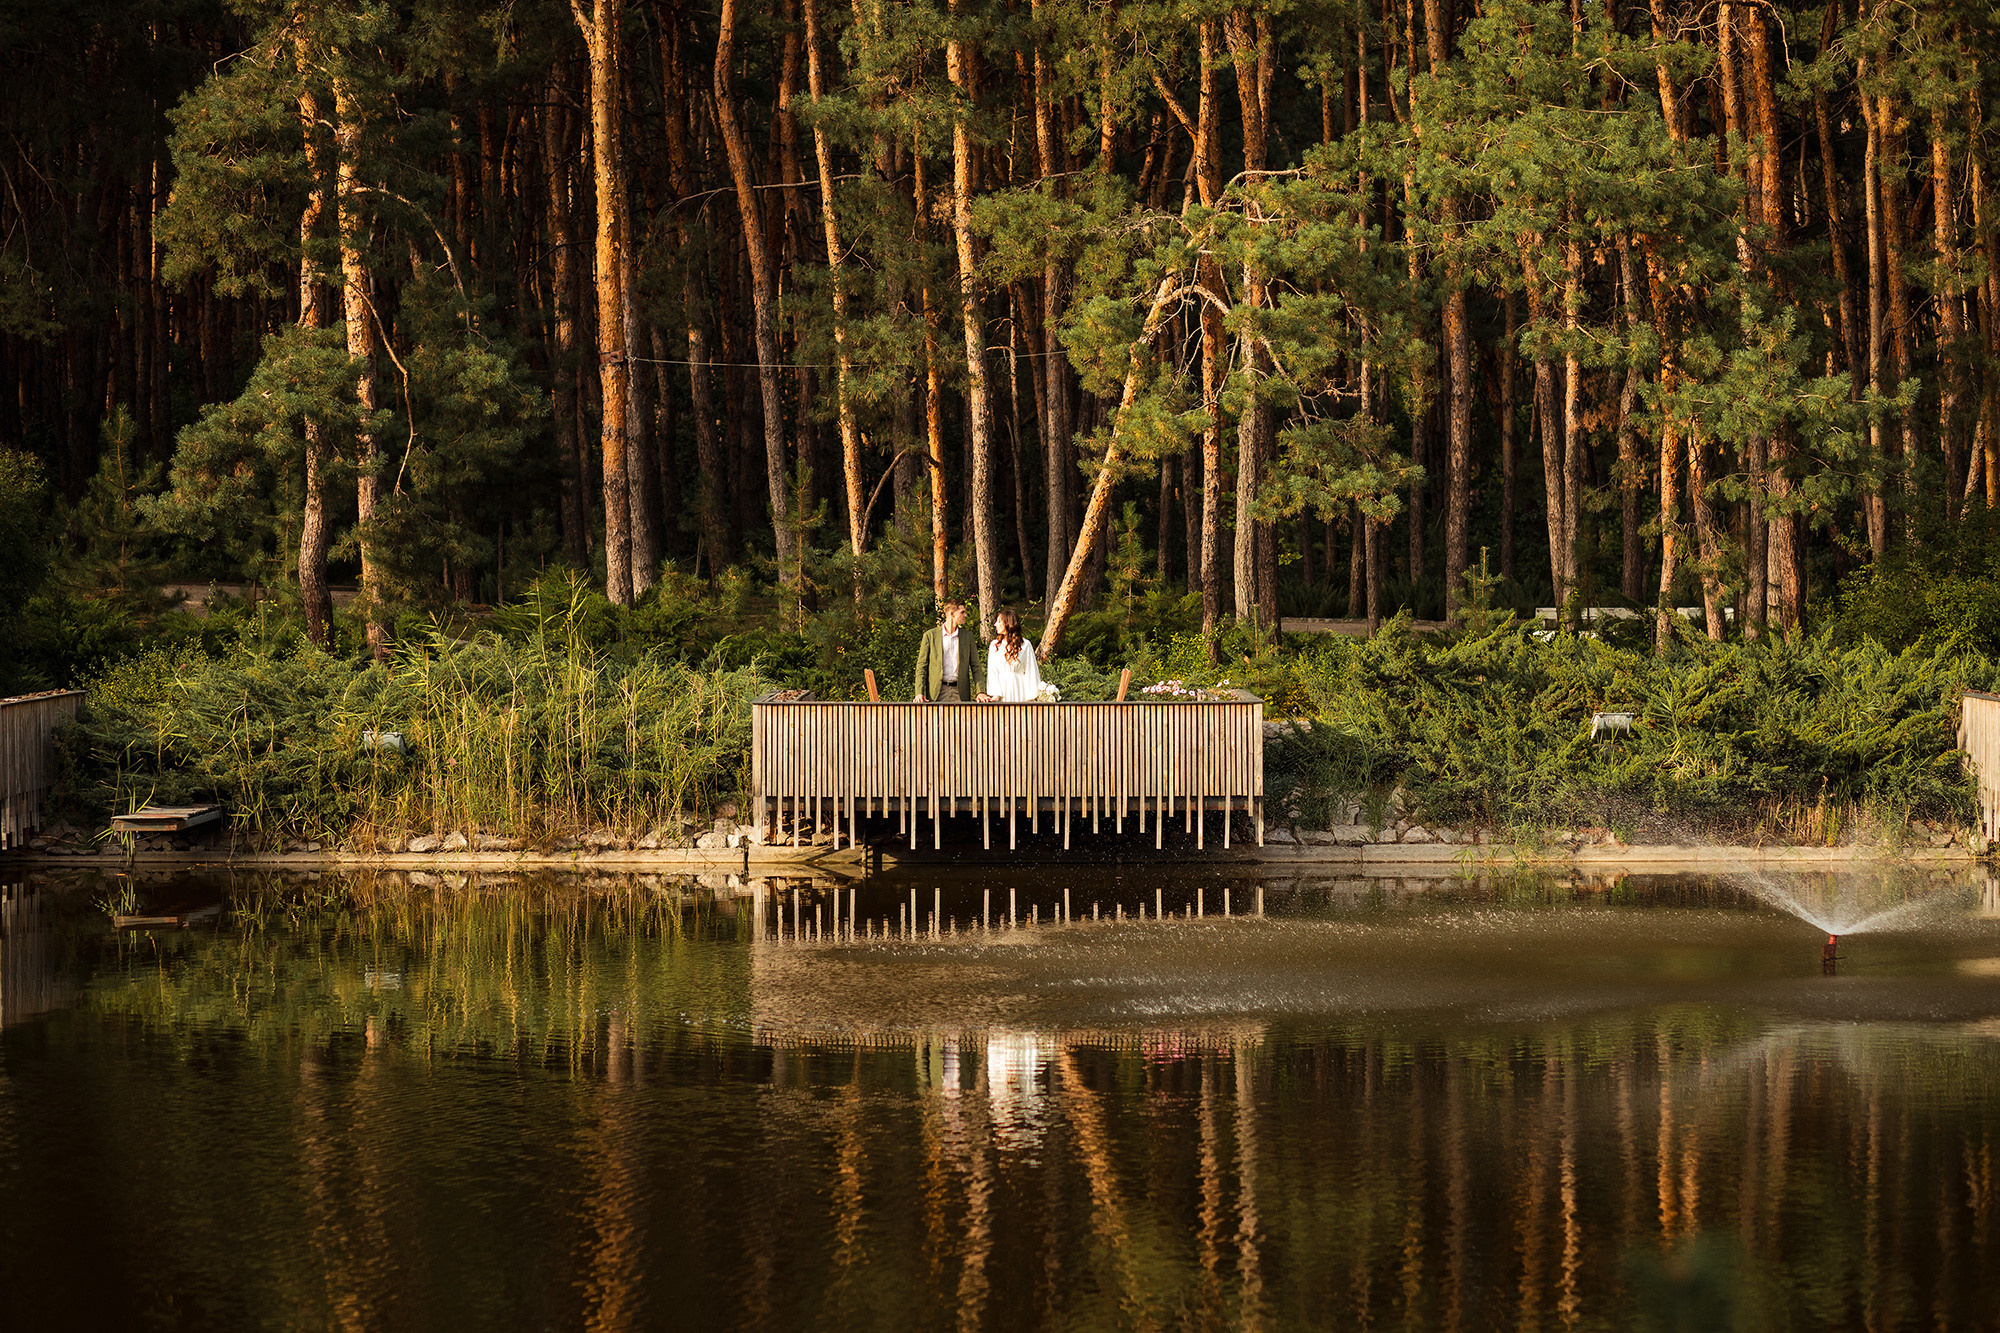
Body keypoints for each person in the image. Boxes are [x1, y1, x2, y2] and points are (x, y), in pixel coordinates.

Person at [913, 599, 983, 703]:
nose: (965, 615)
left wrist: (980, 691)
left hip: (960, 692)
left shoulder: (967, 637)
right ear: (952, 614)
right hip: (936, 692)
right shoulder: (930, 636)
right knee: (937, 719)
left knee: (961, 720)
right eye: (962, 612)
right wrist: (919, 692)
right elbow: (921, 667)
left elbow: (976, 666)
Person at [982, 608, 1044, 703]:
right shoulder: (995, 646)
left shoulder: (1025, 645)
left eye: (999, 621)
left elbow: (1031, 670)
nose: (995, 624)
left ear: (1008, 623)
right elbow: (992, 672)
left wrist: (1032, 697)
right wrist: (995, 694)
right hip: (1002, 692)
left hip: (1020, 690)